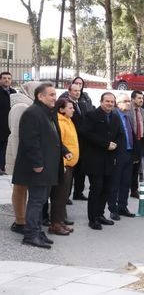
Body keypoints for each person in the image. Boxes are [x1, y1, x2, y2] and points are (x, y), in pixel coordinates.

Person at [11, 82, 61, 249]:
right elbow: (30, 141)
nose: (55, 98)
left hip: (47, 167)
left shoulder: (46, 112)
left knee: (40, 201)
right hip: (38, 168)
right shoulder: (32, 113)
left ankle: (38, 231)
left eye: (55, 94)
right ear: (40, 96)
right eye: (51, 95)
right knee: (36, 201)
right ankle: (31, 234)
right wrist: (37, 163)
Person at [82, 92, 123, 230]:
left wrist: (115, 144)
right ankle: (92, 218)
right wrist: (105, 144)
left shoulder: (115, 117)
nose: (110, 104)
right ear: (101, 101)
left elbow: (120, 135)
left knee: (106, 189)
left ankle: (100, 214)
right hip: (95, 159)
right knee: (96, 189)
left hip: (110, 159)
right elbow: (87, 134)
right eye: (107, 101)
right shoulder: (91, 115)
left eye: (112, 102)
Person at [6, 81, 41, 234]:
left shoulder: (27, 105)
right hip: (20, 156)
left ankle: (23, 219)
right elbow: (17, 136)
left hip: (22, 156)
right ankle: (20, 221)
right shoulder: (21, 107)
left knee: (22, 188)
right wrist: (22, 160)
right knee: (20, 189)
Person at [49, 98, 78, 236]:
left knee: (63, 195)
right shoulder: (60, 122)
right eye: (70, 108)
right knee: (59, 195)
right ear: (61, 110)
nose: (73, 110)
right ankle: (55, 224)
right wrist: (64, 164)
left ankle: (60, 221)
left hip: (70, 164)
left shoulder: (68, 121)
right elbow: (59, 144)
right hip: (63, 164)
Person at [61, 79, 93, 200]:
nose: (77, 93)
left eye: (79, 91)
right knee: (71, 171)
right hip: (72, 140)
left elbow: (87, 118)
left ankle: (78, 192)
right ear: (69, 91)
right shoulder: (66, 104)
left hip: (83, 143)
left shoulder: (83, 103)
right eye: (75, 91)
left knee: (81, 169)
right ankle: (66, 196)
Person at [108, 93, 136, 220]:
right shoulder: (114, 116)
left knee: (126, 182)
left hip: (128, 153)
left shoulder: (127, 116)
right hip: (118, 154)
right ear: (117, 104)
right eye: (125, 101)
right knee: (115, 183)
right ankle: (113, 209)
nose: (128, 103)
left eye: (129, 101)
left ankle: (122, 206)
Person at [129, 90, 144, 198]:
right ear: (133, 99)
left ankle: (134, 190)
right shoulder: (128, 110)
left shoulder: (143, 111)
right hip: (130, 142)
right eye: (139, 98)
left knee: (137, 168)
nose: (141, 100)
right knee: (128, 167)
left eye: (142, 98)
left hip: (140, 142)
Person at [0, 71, 17, 175]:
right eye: (4, 78)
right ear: (0, 80)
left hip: (10, 124)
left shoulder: (13, 92)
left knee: (7, 147)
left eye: (9, 78)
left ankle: (4, 167)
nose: (7, 80)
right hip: (0, 124)